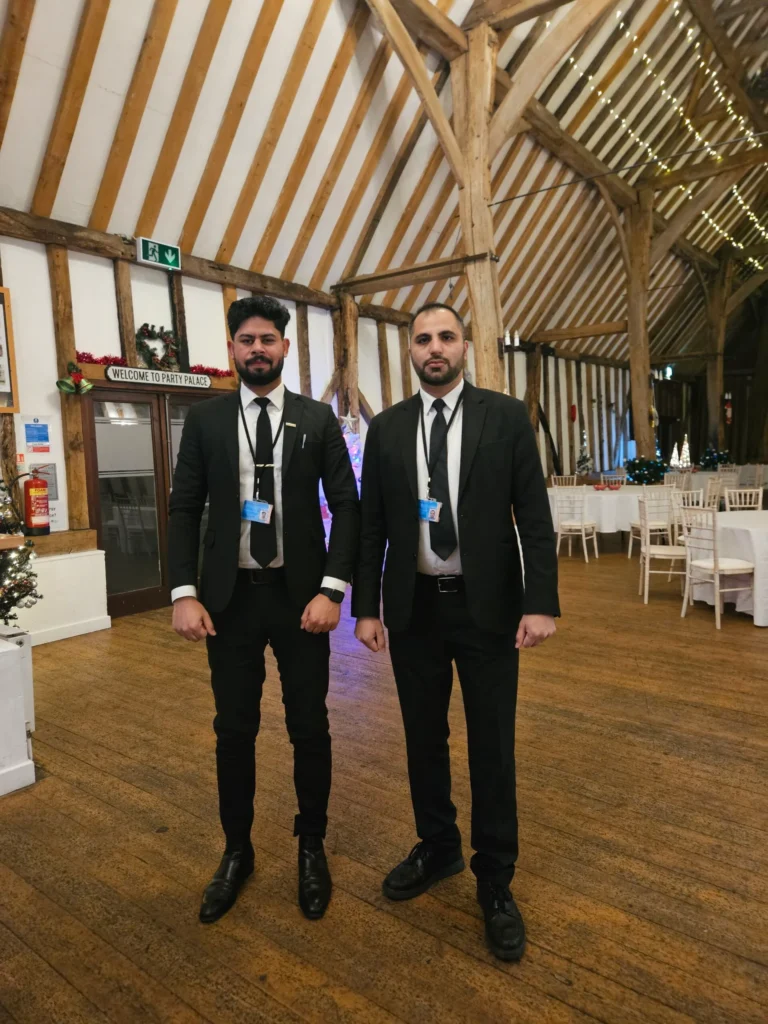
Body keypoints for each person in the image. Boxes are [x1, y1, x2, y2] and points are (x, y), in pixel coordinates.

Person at [352, 302, 559, 961]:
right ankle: (438, 847)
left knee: (492, 744)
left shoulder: (503, 418)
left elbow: (532, 514)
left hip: (488, 608)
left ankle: (495, 880)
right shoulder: (386, 429)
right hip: (414, 609)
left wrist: (541, 601)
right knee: (424, 737)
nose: (434, 348)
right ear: (411, 352)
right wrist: (365, 607)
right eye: (423, 340)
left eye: (446, 337)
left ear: (465, 347)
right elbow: (372, 527)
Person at [168, 295, 359, 924]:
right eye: (246, 339)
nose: (257, 349)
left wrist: (332, 590)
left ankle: (311, 846)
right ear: (232, 349)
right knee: (234, 732)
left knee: (310, 727)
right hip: (229, 603)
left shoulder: (316, 419)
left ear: (284, 347)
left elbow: (347, 509)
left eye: (268, 339)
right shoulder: (206, 422)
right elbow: (182, 509)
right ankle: (237, 850)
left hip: (300, 598)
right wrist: (183, 592)